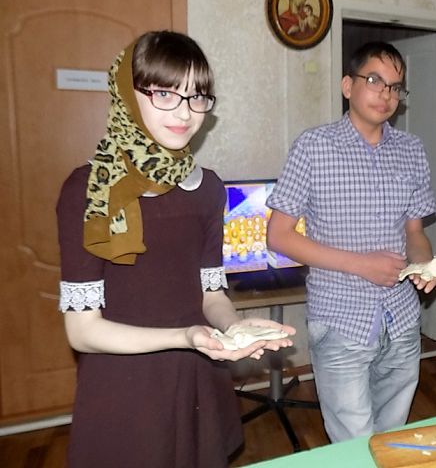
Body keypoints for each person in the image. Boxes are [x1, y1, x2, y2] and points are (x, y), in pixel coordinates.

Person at [56, 30, 295, 468]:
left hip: (197, 374)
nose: (185, 112)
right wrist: (184, 337)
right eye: (165, 93)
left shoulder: (207, 189)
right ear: (128, 93)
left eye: (197, 96)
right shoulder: (88, 189)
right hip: (125, 388)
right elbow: (82, 331)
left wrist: (234, 328)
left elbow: (211, 294)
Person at [265, 41, 436, 442]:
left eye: (395, 87)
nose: (386, 94)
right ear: (348, 86)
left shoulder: (411, 149)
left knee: (391, 439)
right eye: (375, 81)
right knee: (352, 447)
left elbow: (414, 232)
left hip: (401, 320)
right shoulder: (313, 146)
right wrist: (360, 264)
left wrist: (426, 266)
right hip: (341, 320)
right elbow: (278, 235)